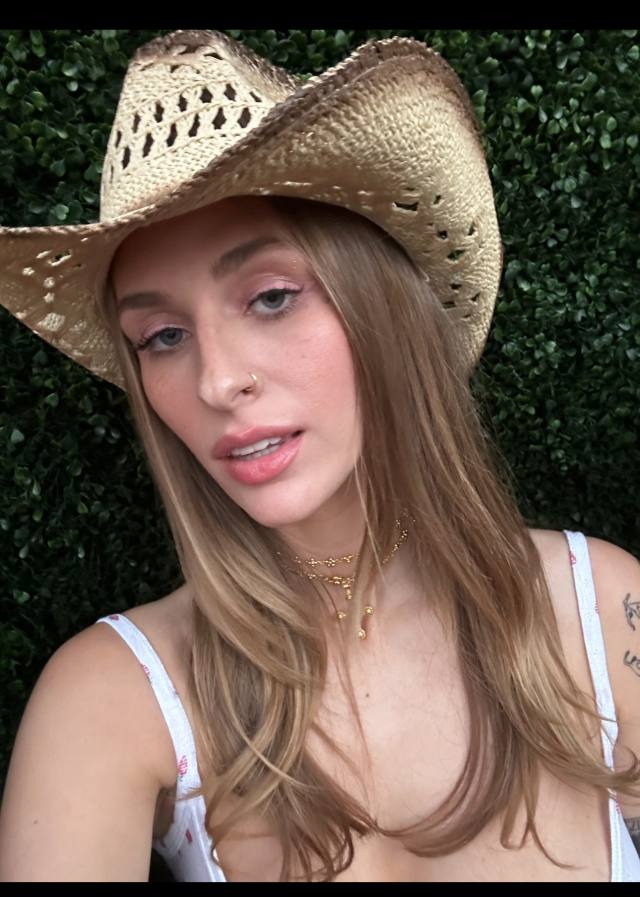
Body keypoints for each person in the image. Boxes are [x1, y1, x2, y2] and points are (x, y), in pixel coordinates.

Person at [0, 28, 640, 883]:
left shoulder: (600, 613)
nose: (218, 379)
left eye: (270, 297)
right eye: (163, 336)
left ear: (381, 305)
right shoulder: (113, 698)